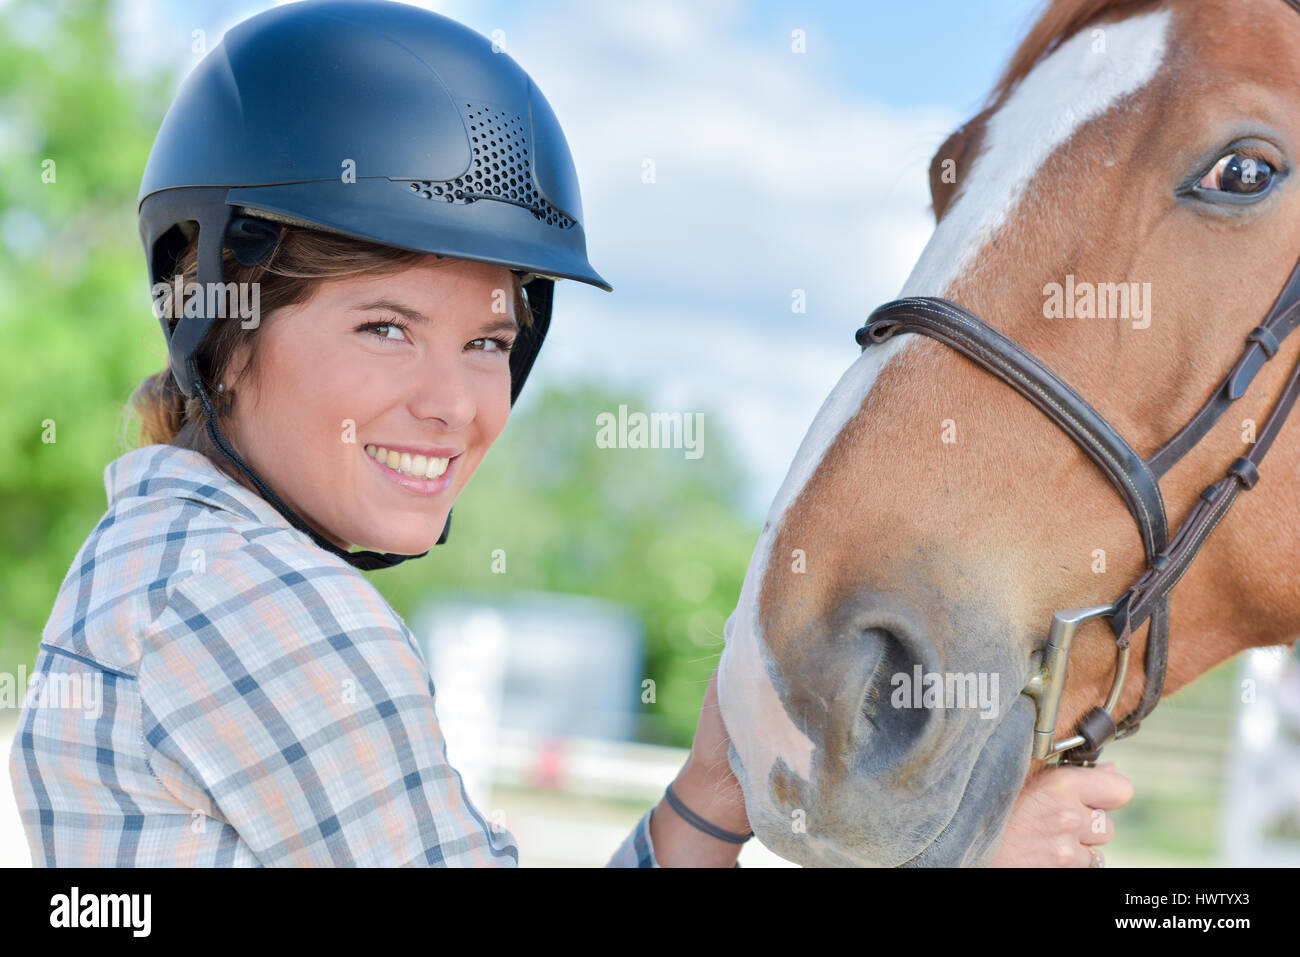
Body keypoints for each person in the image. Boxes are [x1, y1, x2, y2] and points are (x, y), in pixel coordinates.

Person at [8, 0, 1129, 868]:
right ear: (227, 327)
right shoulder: (262, 604)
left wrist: (706, 797)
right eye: (386, 326)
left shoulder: (166, 559)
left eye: (488, 342)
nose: (454, 403)